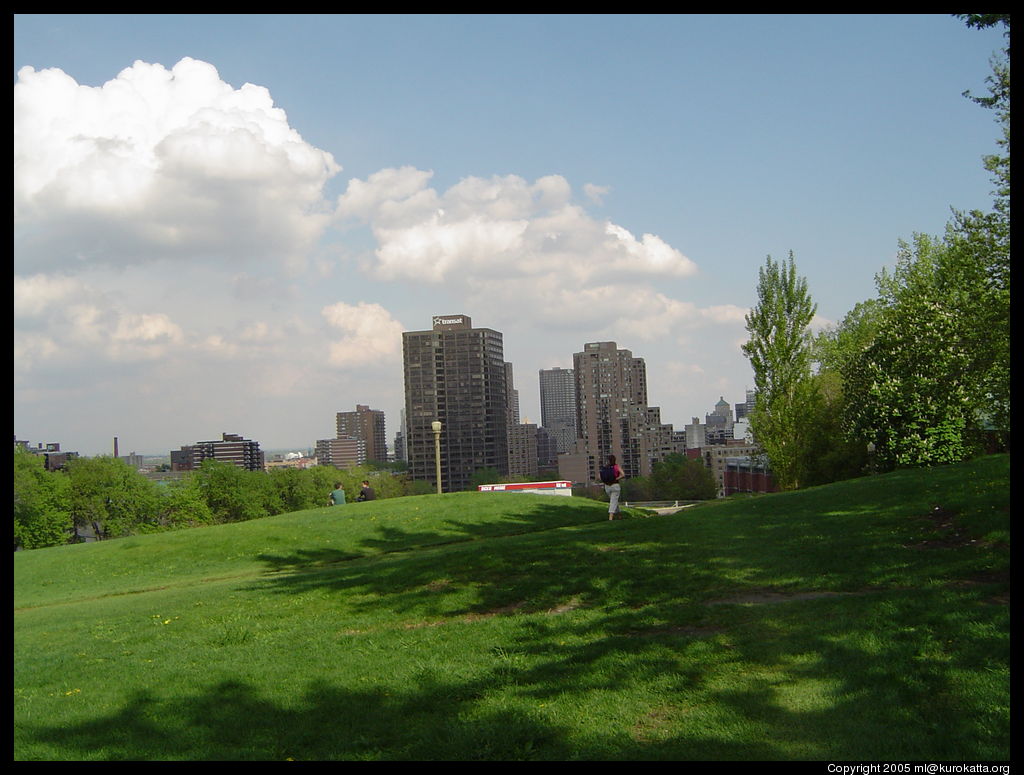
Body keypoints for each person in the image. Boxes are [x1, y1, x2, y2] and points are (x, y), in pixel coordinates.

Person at [600, 455, 625, 520]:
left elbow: (599, 476)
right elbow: (623, 474)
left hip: (607, 486)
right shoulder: (616, 467)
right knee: (613, 501)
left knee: (614, 500)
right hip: (615, 485)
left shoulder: (605, 468)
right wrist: (616, 478)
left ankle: (619, 516)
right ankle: (610, 518)